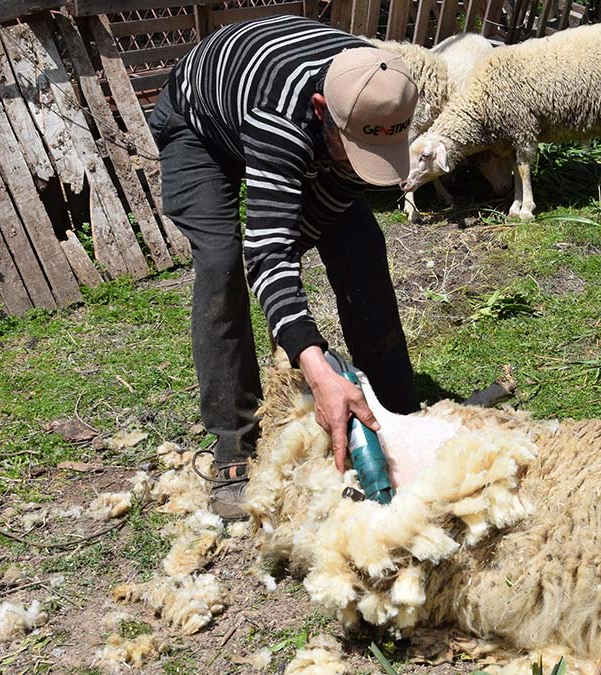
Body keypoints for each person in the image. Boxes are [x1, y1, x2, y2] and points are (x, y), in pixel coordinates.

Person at [149, 15, 422, 520]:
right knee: (223, 262)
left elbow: (313, 220)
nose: (365, 160)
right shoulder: (283, 117)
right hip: (200, 125)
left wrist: (291, 333)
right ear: (323, 111)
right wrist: (313, 362)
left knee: (361, 241)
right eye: (356, 148)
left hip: (279, 109)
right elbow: (267, 250)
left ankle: (394, 408)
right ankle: (234, 443)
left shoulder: (382, 87)